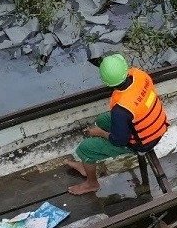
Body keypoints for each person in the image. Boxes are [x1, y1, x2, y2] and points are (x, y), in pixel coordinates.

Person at [66, 54, 169, 195]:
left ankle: (91, 183)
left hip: (142, 143)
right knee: (102, 120)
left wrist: (99, 133)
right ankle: (87, 164)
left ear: (107, 84)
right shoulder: (139, 75)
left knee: (86, 148)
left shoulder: (121, 110)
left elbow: (120, 140)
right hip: (157, 125)